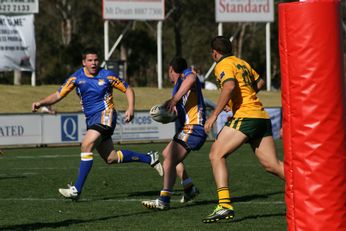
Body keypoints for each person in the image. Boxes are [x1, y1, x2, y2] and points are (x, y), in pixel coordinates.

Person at [31, 48, 163, 200]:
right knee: (111, 158)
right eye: (90, 60)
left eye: (96, 60)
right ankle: (149, 158)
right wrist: (41, 103)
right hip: (92, 120)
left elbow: (128, 89)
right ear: (84, 62)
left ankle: (76, 190)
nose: (93, 63)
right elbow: (58, 94)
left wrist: (131, 107)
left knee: (86, 144)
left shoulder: (107, 76)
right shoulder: (76, 78)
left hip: (106, 116)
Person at [202, 36, 284, 223]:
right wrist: (242, 98)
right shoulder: (242, 62)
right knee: (272, 165)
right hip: (261, 117)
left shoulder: (222, 64)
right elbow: (260, 82)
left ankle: (224, 205)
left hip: (246, 116)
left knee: (216, 154)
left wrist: (214, 114)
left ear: (215, 52)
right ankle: (309, 188)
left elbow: (229, 86)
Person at [141, 57, 207, 209]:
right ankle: (189, 188)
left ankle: (164, 200)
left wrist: (174, 99)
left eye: (169, 72)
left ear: (171, 69)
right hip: (189, 127)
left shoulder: (186, 74)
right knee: (167, 154)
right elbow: (178, 111)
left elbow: (191, 78)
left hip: (194, 128)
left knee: (169, 161)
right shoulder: (178, 86)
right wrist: (168, 116)